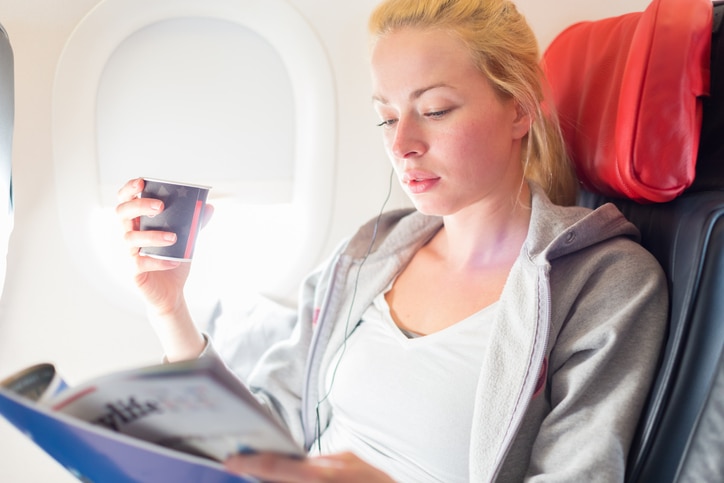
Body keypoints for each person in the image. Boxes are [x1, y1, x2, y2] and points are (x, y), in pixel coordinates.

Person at [116, 0, 668, 481]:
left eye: (435, 110)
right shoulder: (372, 251)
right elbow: (265, 438)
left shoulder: (603, 283)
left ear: (519, 109)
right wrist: (170, 309)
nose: (402, 143)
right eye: (385, 118)